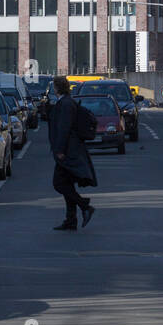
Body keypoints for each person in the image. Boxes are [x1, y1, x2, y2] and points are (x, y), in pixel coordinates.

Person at [47, 76, 97, 230]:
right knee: (67, 183)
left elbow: (64, 128)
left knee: (59, 183)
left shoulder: (66, 104)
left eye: (54, 86)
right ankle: (71, 219)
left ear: (57, 88)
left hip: (68, 151)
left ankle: (84, 205)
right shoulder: (66, 102)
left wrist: (60, 150)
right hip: (70, 150)